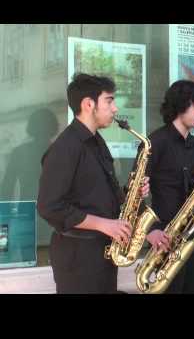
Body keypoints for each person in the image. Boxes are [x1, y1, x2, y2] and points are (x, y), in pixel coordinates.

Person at [37, 73, 149, 294]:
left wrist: (131, 193)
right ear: (89, 104)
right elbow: (49, 207)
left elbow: (95, 194)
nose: (115, 108)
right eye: (109, 100)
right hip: (78, 258)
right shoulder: (65, 147)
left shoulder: (96, 142)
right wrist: (104, 224)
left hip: (102, 252)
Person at [143, 79, 194, 294]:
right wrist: (149, 231)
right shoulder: (155, 142)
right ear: (180, 105)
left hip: (193, 234)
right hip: (166, 236)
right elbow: (132, 193)